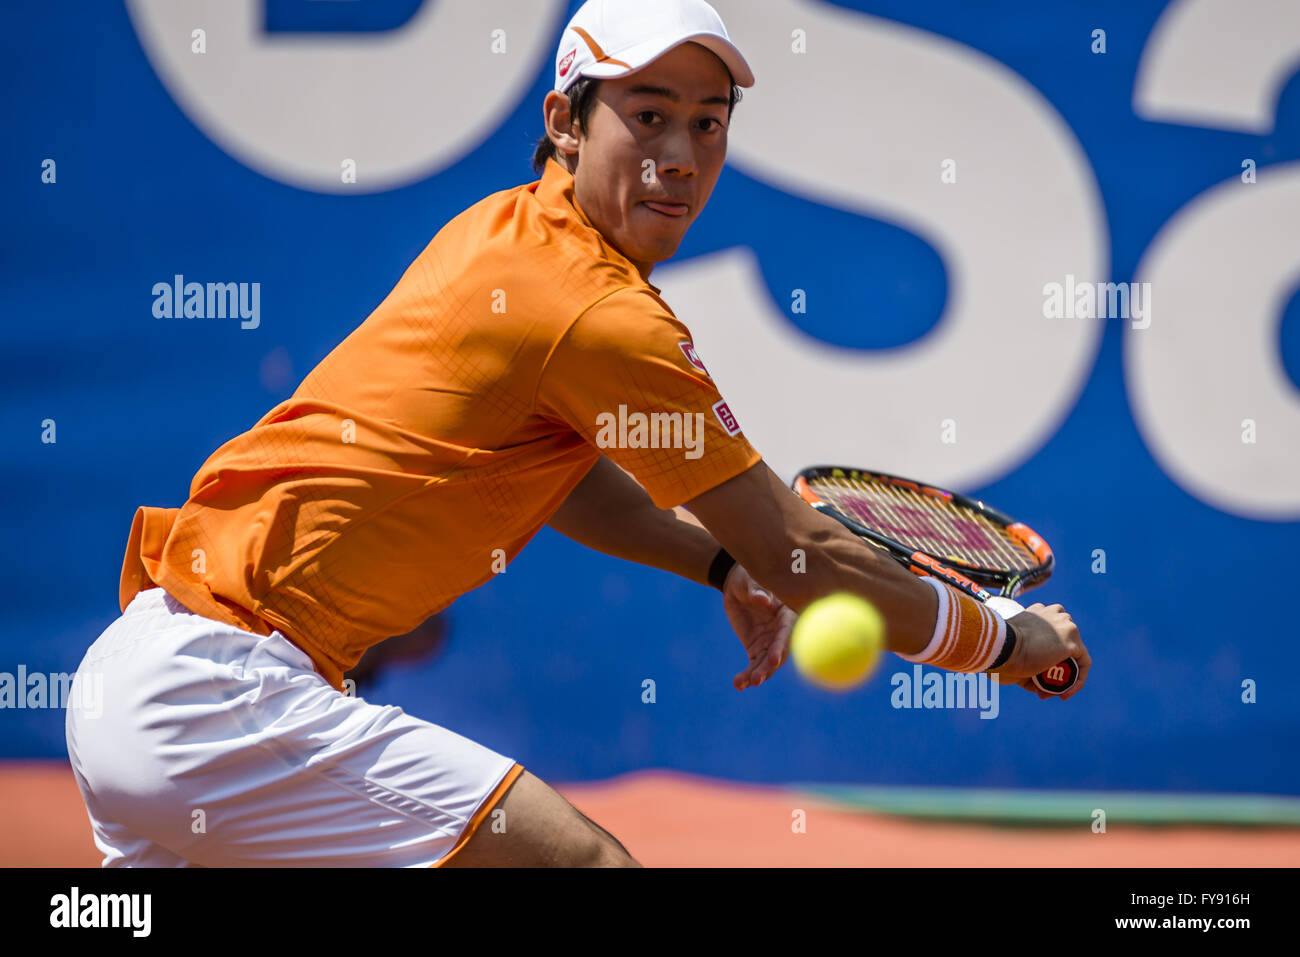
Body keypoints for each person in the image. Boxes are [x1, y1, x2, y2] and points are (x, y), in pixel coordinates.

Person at [66, 0, 1089, 868]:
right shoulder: (595, 313)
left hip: (139, 680)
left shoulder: (504, 233)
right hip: (224, 698)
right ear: (565, 120)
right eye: (647, 117)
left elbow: (568, 482)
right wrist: (1000, 644)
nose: (680, 158)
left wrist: (724, 566)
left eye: (708, 124)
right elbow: (807, 550)